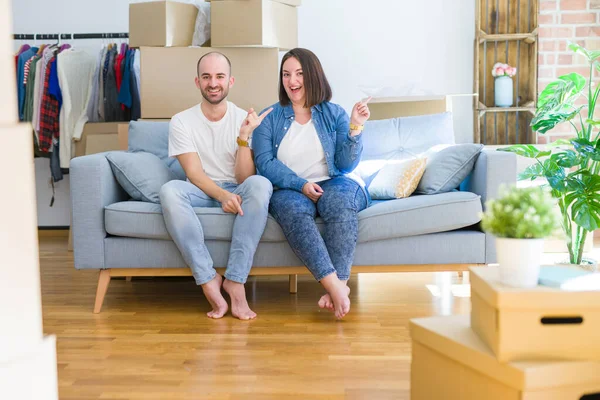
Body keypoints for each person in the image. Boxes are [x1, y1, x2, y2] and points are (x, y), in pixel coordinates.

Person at [252, 48, 371, 320]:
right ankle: (337, 288)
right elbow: (264, 162)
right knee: (292, 211)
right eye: (286, 74)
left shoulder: (335, 113)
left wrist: (355, 127)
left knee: (339, 202)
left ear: (313, 75)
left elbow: (345, 165)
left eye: (299, 74)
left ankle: (338, 285)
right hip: (290, 188)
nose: (292, 81)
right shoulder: (269, 116)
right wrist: (300, 184)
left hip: (334, 182)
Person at [160, 52, 273, 320]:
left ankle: (234, 281)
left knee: (260, 184)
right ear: (197, 82)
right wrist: (222, 196)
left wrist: (244, 137)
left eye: (219, 76)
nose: (213, 83)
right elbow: (194, 173)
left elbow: (245, 179)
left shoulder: (243, 118)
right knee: (169, 190)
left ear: (230, 81)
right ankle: (208, 279)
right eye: (207, 77)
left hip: (237, 188)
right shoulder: (181, 120)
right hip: (200, 191)